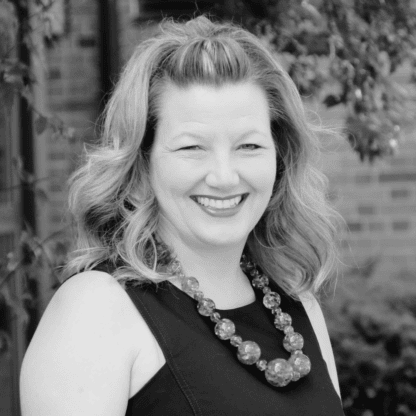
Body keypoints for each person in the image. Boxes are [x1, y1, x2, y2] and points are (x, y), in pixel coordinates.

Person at [20, 15, 345, 415]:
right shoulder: (96, 311)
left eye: (249, 146)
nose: (225, 177)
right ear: (142, 162)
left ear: (281, 157)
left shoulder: (299, 306)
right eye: (192, 148)